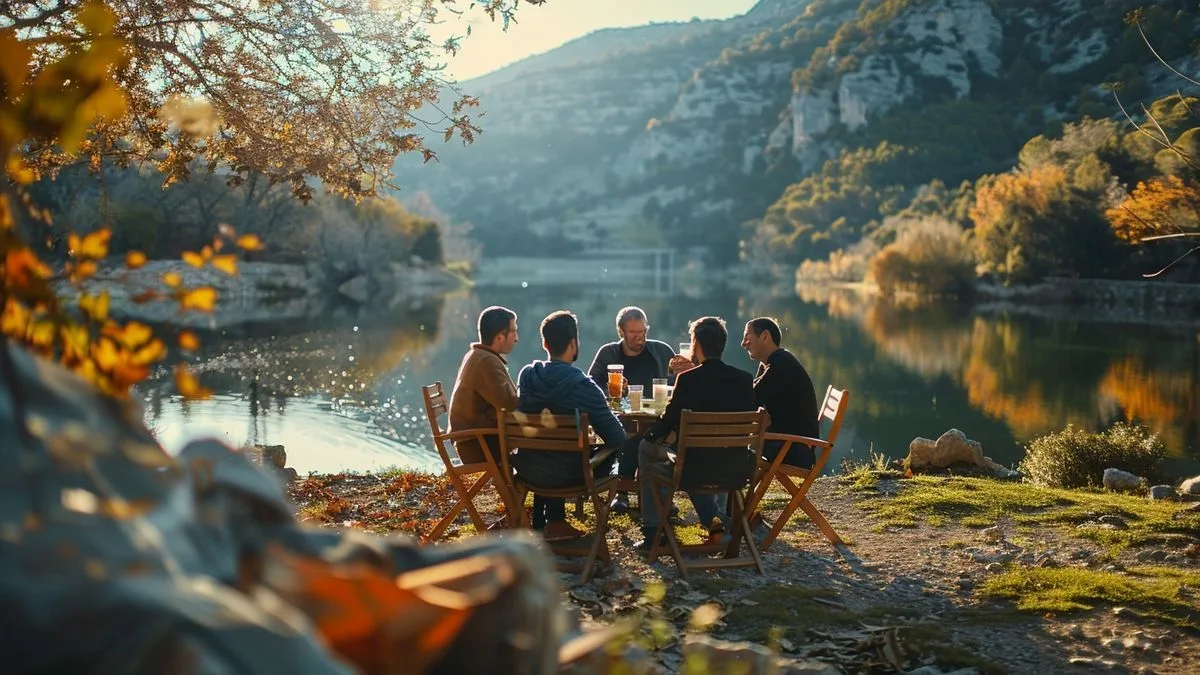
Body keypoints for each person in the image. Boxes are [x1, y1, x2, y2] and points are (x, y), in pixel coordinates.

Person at [636, 316, 757, 550]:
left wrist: (649, 437)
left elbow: (668, 421)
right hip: (736, 468)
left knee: (649, 456)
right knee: (694, 457)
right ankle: (720, 523)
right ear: (722, 345)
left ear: (696, 345)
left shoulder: (688, 380)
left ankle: (653, 532)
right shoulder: (744, 380)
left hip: (693, 470)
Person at [514, 310, 627, 541]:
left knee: (550, 451)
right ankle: (558, 524)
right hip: (569, 475)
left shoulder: (526, 376)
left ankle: (554, 522)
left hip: (528, 469)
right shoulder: (585, 387)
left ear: (545, 343)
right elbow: (617, 438)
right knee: (604, 453)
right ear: (574, 343)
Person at [587, 306, 691, 513]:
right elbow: (590, 386)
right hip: (620, 420)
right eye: (633, 332)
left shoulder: (661, 351)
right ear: (621, 332)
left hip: (658, 421)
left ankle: (627, 491)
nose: (639, 337)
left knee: (643, 437)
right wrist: (609, 389)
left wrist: (686, 369)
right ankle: (630, 493)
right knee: (633, 436)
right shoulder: (608, 353)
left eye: (643, 331)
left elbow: (678, 386)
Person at [741, 317, 820, 468]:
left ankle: (727, 488)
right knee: (737, 444)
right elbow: (753, 397)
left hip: (793, 449)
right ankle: (737, 490)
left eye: (747, 337)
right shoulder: (771, 363)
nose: (743, 343)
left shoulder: (782, 365)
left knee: (734, 446)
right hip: (786, 443)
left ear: (765, 336)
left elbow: (749, 400)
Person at [448, 306, 520, 465]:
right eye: (513, 331)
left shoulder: (481, 356)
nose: (516, 338)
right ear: (501, 336)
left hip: (478, 440)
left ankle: (520, 486)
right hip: (478, 444)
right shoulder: (486, 361)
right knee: (536, 443)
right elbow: (509, 404)